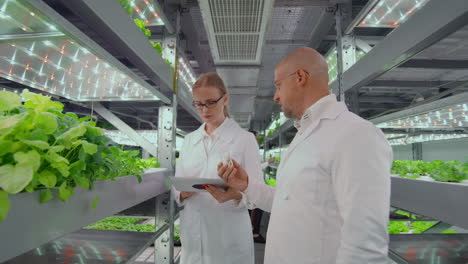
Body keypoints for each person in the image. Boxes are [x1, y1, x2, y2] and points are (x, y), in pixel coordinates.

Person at [212, 47, 393, 263]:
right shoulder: (306, 133)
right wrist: (246, 185)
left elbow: (365, 240)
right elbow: (287, 203)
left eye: (278, 85)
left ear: (300, 77)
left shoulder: (355, 134)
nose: (276, 96)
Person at [172, 72, 263, 264]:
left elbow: (258, 194)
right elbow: (177, 184)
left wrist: (234, 194)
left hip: (228, 237)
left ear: (225, 99)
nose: (205, 109)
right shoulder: (189, 141)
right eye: (199, 104)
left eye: (211, 102)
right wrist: (182, 194)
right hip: (193, 235)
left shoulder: (244, 140)